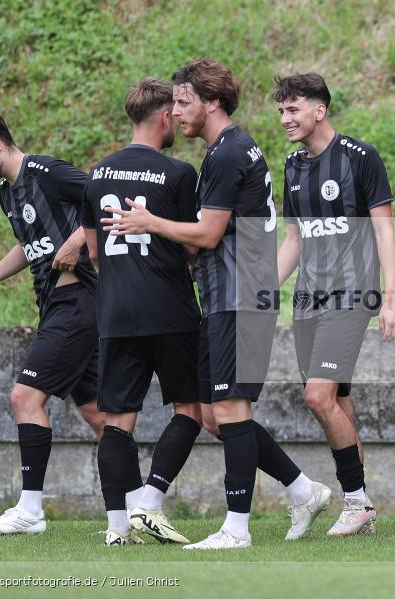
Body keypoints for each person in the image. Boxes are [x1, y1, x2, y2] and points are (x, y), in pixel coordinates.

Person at [104, 59, 330, 549]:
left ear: (211, 102)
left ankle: (237, 528)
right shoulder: (222, 150)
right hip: (224, 295)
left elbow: (207, 233)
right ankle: (302, 489)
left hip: (240, 297)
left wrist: (150, 223)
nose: (175, 110)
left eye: (183, 101)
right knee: (212, 414)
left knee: (229, 408)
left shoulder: (229, 153)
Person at [0, 108, 104, 535]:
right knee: (97, 412)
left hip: (78, 298)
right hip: (58, 305)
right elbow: (30, 245)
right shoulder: (8, 192)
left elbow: (104, 194)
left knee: (25, 397)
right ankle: (137, 507)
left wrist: (79, 239)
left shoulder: (46, 172)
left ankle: (31, 510)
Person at [274, 72, 395, 536]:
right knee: (338, 401)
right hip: (308, 300)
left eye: (293, 109)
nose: (285, 118)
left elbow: (385, 231)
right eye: (282, 110)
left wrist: (391, 298)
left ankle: (354, 500)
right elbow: (295, 238)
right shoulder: (292, 165)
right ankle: (362, 505)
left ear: (319, 110)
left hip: (351, 295)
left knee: (317, 395)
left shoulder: (359, 157)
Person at [82, 78, 205, 546]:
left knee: (116, 421)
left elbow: (93, 253)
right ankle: (149, 501)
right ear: (163, 117)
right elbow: (193, 242)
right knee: (190, 410)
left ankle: (117, 528)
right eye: (173, 111)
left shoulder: (97, 174)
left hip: (115, 313)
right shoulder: (179, 173)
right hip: (170, 309)